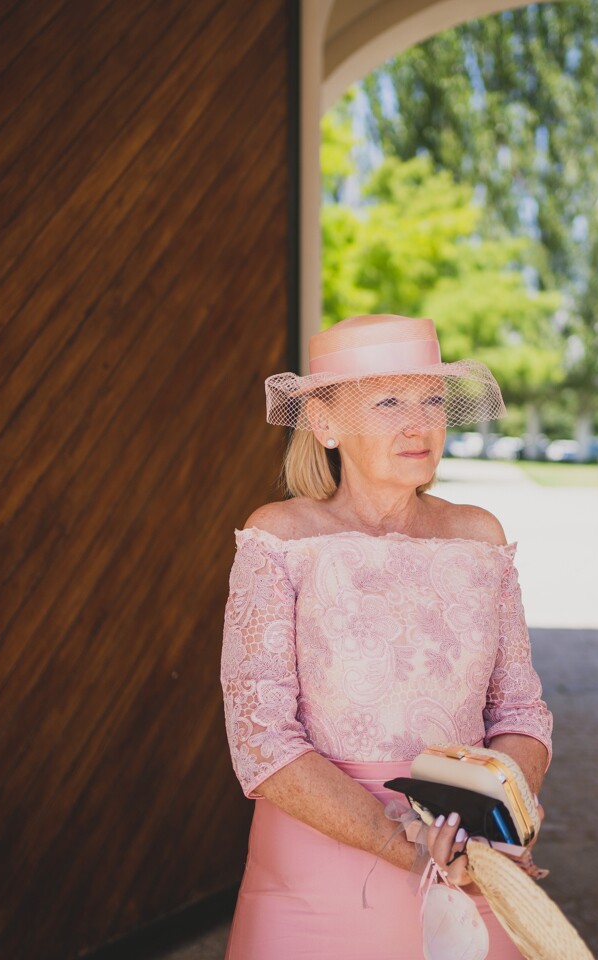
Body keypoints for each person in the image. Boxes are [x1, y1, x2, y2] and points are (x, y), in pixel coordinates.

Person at [219, 313, 553, 959]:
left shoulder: (479, 536)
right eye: (388, 401)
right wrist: (405, 839)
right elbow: (260, 740)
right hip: (312, 879)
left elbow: (520, 710)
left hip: (465, 861)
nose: (419, 422)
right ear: (324, 423)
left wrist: (495, 817)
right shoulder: (279, 538)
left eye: (432, 399)